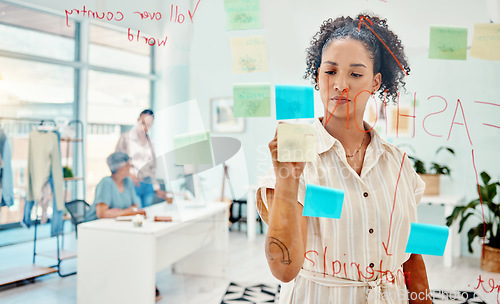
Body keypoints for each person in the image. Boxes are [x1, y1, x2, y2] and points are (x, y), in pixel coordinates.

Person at [256, 14, 431, 304]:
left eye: (355, 74)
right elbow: (284, 270)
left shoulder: (399, 164)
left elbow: (412, 257)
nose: (340, 84)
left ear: (375, 82)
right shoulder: (295, 162)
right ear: (317, 76)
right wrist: (287, 179)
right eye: (330, 71)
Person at [115, 109, 171, 208]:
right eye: (142, 123)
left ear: (152, 125)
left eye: (148, 125)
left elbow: (153, 168)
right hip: (132, 183)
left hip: (148, 184)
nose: (144, 127)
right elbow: (117, 160)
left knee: (147, 213)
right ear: (138, 120)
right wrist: (129, 175)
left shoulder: (151, 143)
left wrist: (156, 188)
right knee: (138, 213)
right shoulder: (125, 138)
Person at [84, 152, 145, 222]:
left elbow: (135, 206)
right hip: (95, 225)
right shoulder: (106, 183)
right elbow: (102, 214)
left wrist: (116, 212)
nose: (130, 168)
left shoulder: (128, 181)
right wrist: (128, 211)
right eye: (128, 165)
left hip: (117, 223)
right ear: (121, 169)